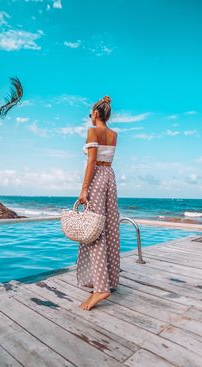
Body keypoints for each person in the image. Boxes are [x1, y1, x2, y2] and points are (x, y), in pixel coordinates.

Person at [77, 95, 120, 311]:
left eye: (90, 114)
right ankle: (108, 280)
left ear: (95, 113)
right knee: (109, 229)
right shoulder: (114, 135)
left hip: (97, 179)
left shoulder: (93, 131)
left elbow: (92, 161)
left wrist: (84, 189)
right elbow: (105, 160)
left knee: (94, 231)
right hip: (110, 178)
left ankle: (101, 288)